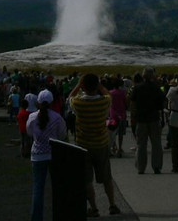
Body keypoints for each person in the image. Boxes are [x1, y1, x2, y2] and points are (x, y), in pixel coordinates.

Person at [70, 73, 120, 217]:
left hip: (83, 144)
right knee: (106, 177)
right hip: (101, 144)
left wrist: (78, 85)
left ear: (83, 87)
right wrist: (100, 85)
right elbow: (107, 95)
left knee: (87, 180)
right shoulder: (104, 102)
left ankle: (94, 208)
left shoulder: (78, 103)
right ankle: (112, 205)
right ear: (96, 86)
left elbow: (70, 98)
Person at [27, 89, 67, 221]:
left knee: (38, 188)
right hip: (53, 154)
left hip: (37, 155)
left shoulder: (33, 117)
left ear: (38, 102)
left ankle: (36, 217)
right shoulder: (57, 118)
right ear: (51, 102)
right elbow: (62, 135)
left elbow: (29, 133)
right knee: (57, 188)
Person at [131, 66, 166, 174]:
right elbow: (162, 103)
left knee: (141, 144)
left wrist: (133, 116)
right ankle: (156, 166)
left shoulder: (137, 88)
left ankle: (141, 167)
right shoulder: (156, 88)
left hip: (141, 119)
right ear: (153, 76)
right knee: (156, 143)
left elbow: (133, 104)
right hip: (154, 118)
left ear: (143, 75)